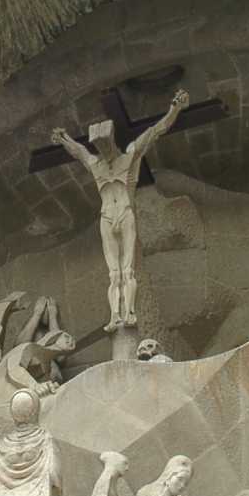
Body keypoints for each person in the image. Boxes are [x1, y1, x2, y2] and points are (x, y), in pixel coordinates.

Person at [52, 90, 189, 331]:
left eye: (105, 146)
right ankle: (115, 316)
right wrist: (64, 138)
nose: (103, 151)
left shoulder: (130, 156)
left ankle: (130, 313)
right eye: (99, 147)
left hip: (125, 213)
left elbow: (155, 132)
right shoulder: (96, 164)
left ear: (112, 143)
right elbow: (79, 152)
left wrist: (174, 109)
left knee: (128, 271)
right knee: (114, 274)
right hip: (106, 217)